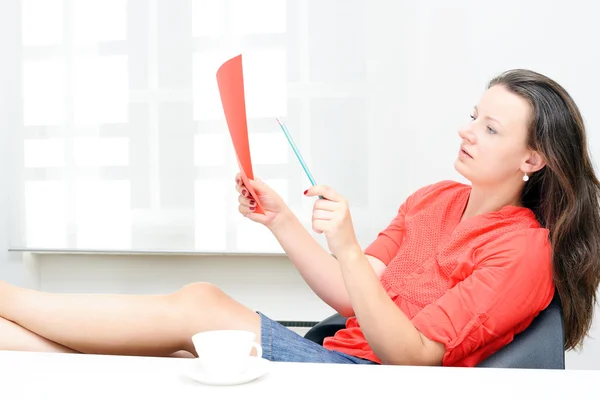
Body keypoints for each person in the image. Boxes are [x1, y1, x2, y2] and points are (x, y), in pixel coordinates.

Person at [1, 69, 599, 367]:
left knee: (203, 305)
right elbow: (352, 296)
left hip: (370, 378)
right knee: (177, 355)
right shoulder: (432, 199)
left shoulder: (522, 252)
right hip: (334, 356)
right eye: (473, 115)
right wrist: (283, 219)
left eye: (490, 128)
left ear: (533, 158)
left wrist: (345, 245)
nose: (466, 130)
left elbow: (412, 356)